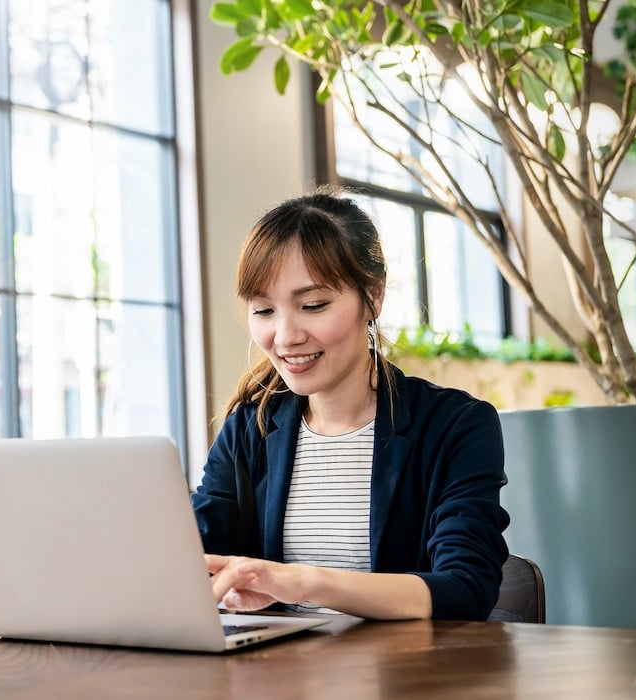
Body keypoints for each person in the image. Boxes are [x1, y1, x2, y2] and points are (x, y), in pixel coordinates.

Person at [192, 187, 510, 621]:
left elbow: (465, 587)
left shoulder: (455, 425)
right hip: (280, 680)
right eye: (263, 311)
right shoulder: (252, 427)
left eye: (313, 305)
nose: (285, 337)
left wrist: (303, 581)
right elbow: (190, 551)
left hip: (405, 680)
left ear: (373, 297)